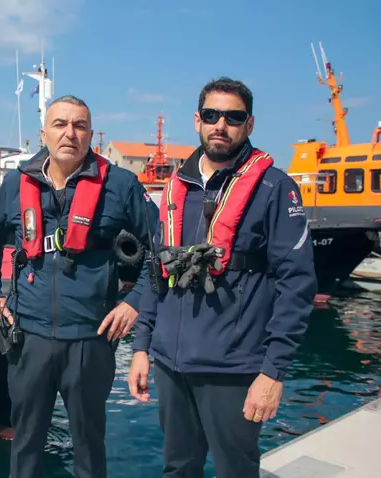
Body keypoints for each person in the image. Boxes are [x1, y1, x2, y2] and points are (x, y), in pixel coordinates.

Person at [128, 77, 318, 478]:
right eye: (212, 115)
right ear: (197, 120)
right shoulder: (177, 188)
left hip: (233, 369)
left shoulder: (275, 189)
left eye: (233, 117)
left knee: (236, 470)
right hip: (170, 365)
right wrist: (141, 346)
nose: (221, 125)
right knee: (178, 468)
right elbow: (155, 272)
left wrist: (273, 371)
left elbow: (297, 285)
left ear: (249, 124)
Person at [0, 95, 158, 478]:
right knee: (25, 444)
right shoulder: (16, 184)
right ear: (44, 133)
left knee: (89, 446)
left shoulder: (120, 184)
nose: (69, 133)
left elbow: (160, 245)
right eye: (60, 124)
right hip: (29, 340)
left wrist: (135, 302)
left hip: (91, 341)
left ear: (90, 134)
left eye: (79, 126)